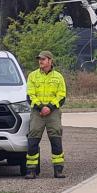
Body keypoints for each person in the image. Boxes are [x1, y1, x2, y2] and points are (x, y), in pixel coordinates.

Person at [25, 51, 67, 179]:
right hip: (37, 112)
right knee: (33, 139)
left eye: (43, 59)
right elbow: (30, 95)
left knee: (56, 139)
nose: (40, 61)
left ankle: (58, 170)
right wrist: (41, 107)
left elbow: (62, 96)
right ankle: (31, 170)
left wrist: (49, 107)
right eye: (39, 59)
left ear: (50, 60)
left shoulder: (58, 77)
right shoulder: (32, 76)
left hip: (53, 112)